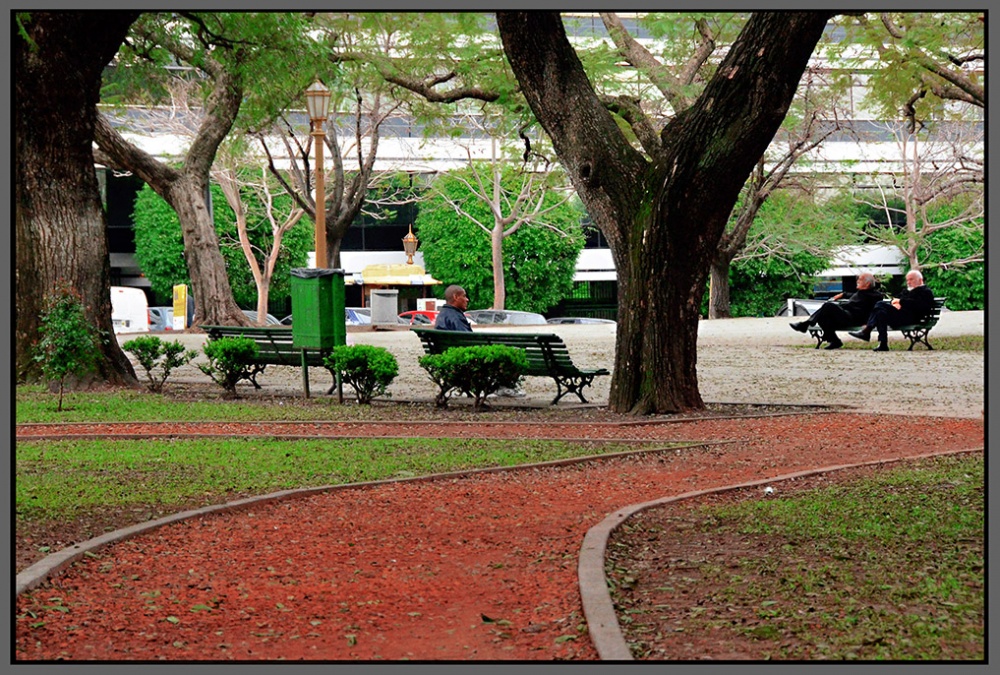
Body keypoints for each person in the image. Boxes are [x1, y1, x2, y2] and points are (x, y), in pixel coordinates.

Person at [789, 272, 884, 350]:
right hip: (846, 314)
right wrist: (842, 295)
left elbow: (875, 310)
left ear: (867, 284)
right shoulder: (860, 292)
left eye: (860, 280)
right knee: (823, 317)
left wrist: (868, 324)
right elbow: (850, 295)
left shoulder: (875, 295)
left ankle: (806, 324)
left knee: (828, 306)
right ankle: (834, 341)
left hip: (853, 318)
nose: (857, 281)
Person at [849, 269, 935, 352]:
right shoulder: (907, 291)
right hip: (901, 316)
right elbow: (895, 298)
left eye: (911, 279)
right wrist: (896, 303)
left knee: (880, 304)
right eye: (907, 280)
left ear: (920, 280)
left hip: (913, 318)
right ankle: (883, 344)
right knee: (880, 312)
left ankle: (867, 331)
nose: (908, 282)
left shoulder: (925, 292)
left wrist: (901, 302)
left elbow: (920, 306)